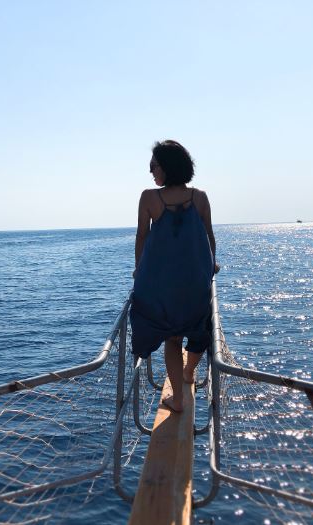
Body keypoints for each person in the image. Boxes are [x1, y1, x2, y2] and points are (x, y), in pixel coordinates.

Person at [130, 140, 218, 413]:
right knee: (199, 329)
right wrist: (211, 267)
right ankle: (189, 371)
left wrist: (138, 270)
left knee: (172, 339)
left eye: (154, 165)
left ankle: (178, 398)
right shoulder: (200, 197)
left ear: (168, 166)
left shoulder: (149, 198)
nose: (150, 171)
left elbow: (142, 237)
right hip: (195, 283)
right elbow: (209, 237)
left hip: (164, 285)